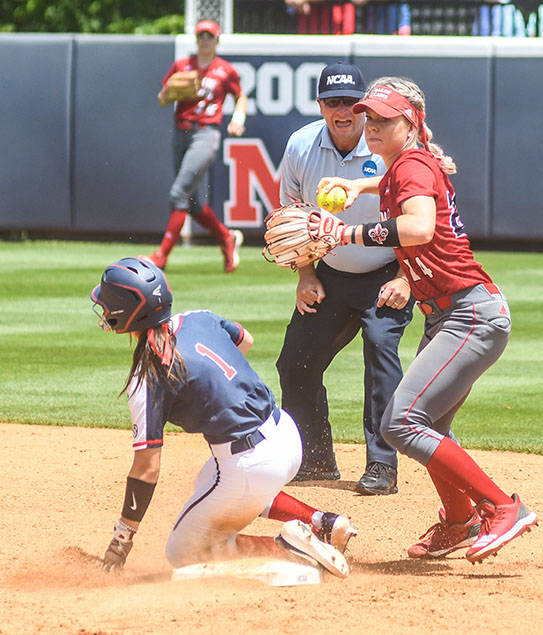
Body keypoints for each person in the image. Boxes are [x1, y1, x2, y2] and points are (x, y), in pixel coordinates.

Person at [312, 76, 537, 562]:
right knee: (428, 420)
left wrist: (346, 234)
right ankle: (459, 521)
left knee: (401, 422)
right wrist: (358, 183)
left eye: (384, 119)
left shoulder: (412, 164)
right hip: (454, 314)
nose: (371, 126)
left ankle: (502, 508)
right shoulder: (407, 164)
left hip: (468, 315)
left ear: (409, 124)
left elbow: (417, 227)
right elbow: (399, 180)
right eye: (368, 117)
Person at [90, 257, 356, 575]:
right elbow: (244, 340)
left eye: (107, 303)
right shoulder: (198, 318)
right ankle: (322, 523)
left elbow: (147, 470)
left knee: (183, 552)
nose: (103, 308)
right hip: (285, 434)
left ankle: (287, 549)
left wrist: (121, 540)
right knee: (208, 481)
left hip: (251, 465)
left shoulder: (148, 376)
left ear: (123, 315)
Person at [276, 62, 414, 496]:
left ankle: (382, 466)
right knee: (295, 360)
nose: (342, 111)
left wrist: (407, 279)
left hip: (386, 272)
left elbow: (419, 221)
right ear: (320, 105)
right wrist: (305, 275)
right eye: (332, 102)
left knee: (381, 354)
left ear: (363, 107)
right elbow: (293, 216)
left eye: (350, 103)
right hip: (330, 273)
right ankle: (314, 460)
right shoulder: (301, 146)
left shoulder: (385, 144)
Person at [146, 19, 245, 273]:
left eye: (209, 36)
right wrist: (168, 93)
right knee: (191, 203)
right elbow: (162, 99)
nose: (204, 40)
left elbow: (240, 96)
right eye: (201, 35)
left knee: (178, 193)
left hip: (205, 133)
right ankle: (226, 237)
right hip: (181, 131)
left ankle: (162, 255)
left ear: (217, 41)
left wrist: (238, 118)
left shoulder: (225, 70)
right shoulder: (182, 65)